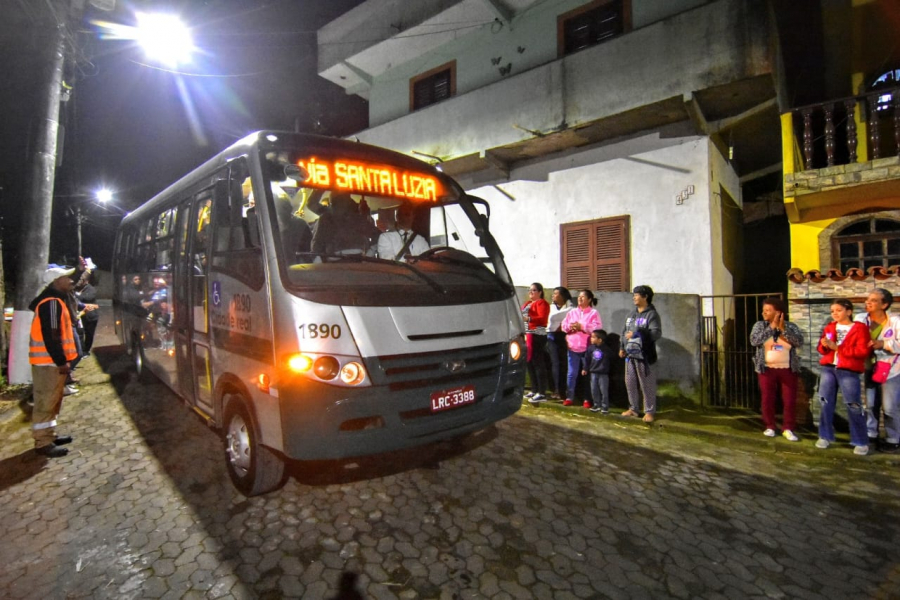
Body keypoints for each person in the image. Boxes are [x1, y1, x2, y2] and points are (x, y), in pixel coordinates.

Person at [28, 266, 80, 458]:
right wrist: (61, 361)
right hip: (48, 363)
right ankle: (42, 442)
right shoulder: (51, 303)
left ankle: (50, 435)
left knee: (53, 401)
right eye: (67, 278)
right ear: (56, 281)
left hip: (50, 363)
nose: (71, 281)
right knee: (45, 402)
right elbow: (51, 336)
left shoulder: (55, 301)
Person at [816, 299, 871, 455]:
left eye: (838, 310)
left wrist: (838, 348)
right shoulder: (830, 327)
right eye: (832, 310)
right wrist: (824, 345)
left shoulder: (860, 328)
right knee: (825, 402)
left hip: (848, 370)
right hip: (829, 368)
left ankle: (860, 441)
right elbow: (822, 349)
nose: (834, 313)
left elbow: (862, 352)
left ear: (849, 311)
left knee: (853, 404)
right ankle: (825, 435)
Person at [750, 297, 804, 441]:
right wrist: (771, 327)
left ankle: (788, 428)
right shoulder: (760, 325)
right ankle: (770, 426)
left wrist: (782, 329)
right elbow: (754, 341)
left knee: (789, 399)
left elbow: (798, 342)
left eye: (768, 310)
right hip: (766, 368)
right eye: (763, 310)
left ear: (778, 312)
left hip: (788, 368)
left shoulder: (790, 326)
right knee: (767, 398)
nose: (764, 313)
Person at [857, 288, 900, 452]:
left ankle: (893, 438)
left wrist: (883, 344)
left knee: (889, 407)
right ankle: (871, 433)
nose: (868, 302)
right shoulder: (861, 319)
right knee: (870, 404)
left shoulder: (896, 321)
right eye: (868, 299)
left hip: (892, 369)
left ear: (885, 304)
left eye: (874, 300)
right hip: (870, 367)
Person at [620, 285, 663, 422]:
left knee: (647, 384)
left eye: (637, 294)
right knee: (630, 382)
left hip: (644, 356)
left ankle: (649, 411)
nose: (634, 297)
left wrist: (637, 334)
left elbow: (656, 333)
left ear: (645, 297)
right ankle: (633, 409)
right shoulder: (631, 315)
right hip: (630, 355)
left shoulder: (652, 315)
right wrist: (622, 346)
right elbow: (624, 331)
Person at [560, 290, 602, 407]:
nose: (580, 299)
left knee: (586, 374)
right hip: (572, 348)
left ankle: (587, 399)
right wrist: (571, 327)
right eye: (579, 297)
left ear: (589, 299)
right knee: (571, 374)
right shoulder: (572, 312)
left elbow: (597, 328)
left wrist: (582, 326)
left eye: (583, 297)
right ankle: (569, 397)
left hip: (587, 349)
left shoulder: (594, 313)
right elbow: (563, 326)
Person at [311, 193, 377, 257]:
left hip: (336, 260)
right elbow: (377, 235)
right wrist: (370, 253)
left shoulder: (357, 217)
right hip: (356, 259)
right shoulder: (357, 217)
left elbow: (317, 243)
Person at [522, 283, 550, 404]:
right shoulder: (527, 304)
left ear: (540, 292)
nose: (531, 292)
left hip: (537, 335)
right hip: (527, 335)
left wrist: (529, 319)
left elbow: (543, 318)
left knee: (538, 362)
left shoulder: (542, 303)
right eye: (530, 290)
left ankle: (542, 391)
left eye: (534, 290)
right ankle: (534, 389)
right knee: (530, 362)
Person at [546, 287, 573, 400]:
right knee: (554, 363)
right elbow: (550, 320)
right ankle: (555, 389)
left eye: (556, 294)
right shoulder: (551, 307)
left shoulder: (570, 309)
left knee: (563, 364)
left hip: (563, 336)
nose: (553, 296)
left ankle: (563, 390)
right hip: (551, 336)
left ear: (562, 296)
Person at [582, 329, 612, 414]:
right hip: (593, 372)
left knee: (603, 390)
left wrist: (605, 368)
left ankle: (605, 406)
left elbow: (611, 358)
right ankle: (596, 405)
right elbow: (587, 359)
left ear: (600, 339)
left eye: (593, 337)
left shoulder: (606, 349)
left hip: (603, 373)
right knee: (594, 390)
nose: (591, 339)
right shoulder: (590, 348)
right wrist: (585, 368)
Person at [75, 271, 100, 356]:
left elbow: (87, 297)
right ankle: (82, 349)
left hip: (91, 316)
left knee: (89, 334)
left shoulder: (91, 289)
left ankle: (86, 350)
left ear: (87, 281)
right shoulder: (79, 289)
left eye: (83, 280)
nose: (80, 282)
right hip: (83, 316)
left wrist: (75, 296)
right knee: (82, 332)